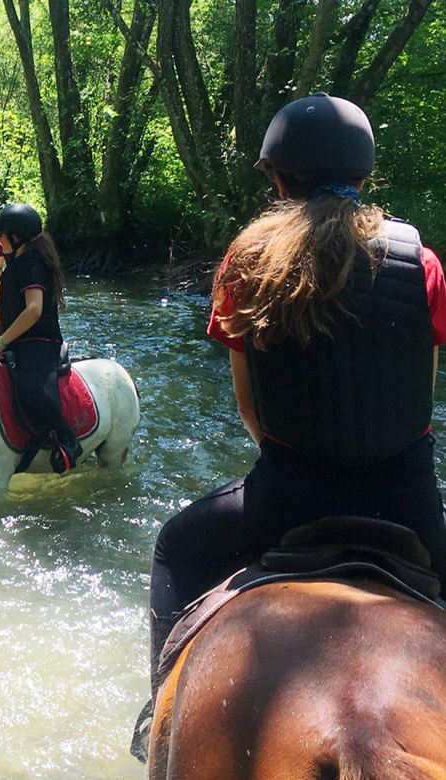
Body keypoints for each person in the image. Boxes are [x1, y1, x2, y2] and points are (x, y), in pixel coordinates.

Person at [138, 93, 446, 749]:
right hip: (409, 504)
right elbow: (419, 403)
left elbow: (254, 414)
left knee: (175, 546)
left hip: (285, 500)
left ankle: (154, 721)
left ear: (279, 178)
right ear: (364, 176)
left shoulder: (247, 262)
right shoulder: (422, 263)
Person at [0, 203, 81, 473]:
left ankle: (67, 442)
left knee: (31, 388)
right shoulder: (15, 265)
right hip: (16, 339)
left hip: (39, 342)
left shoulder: (32, 266)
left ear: (17, 237)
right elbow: (10, 310)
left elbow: (33, 311)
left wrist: (1, 343)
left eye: (1, 236)